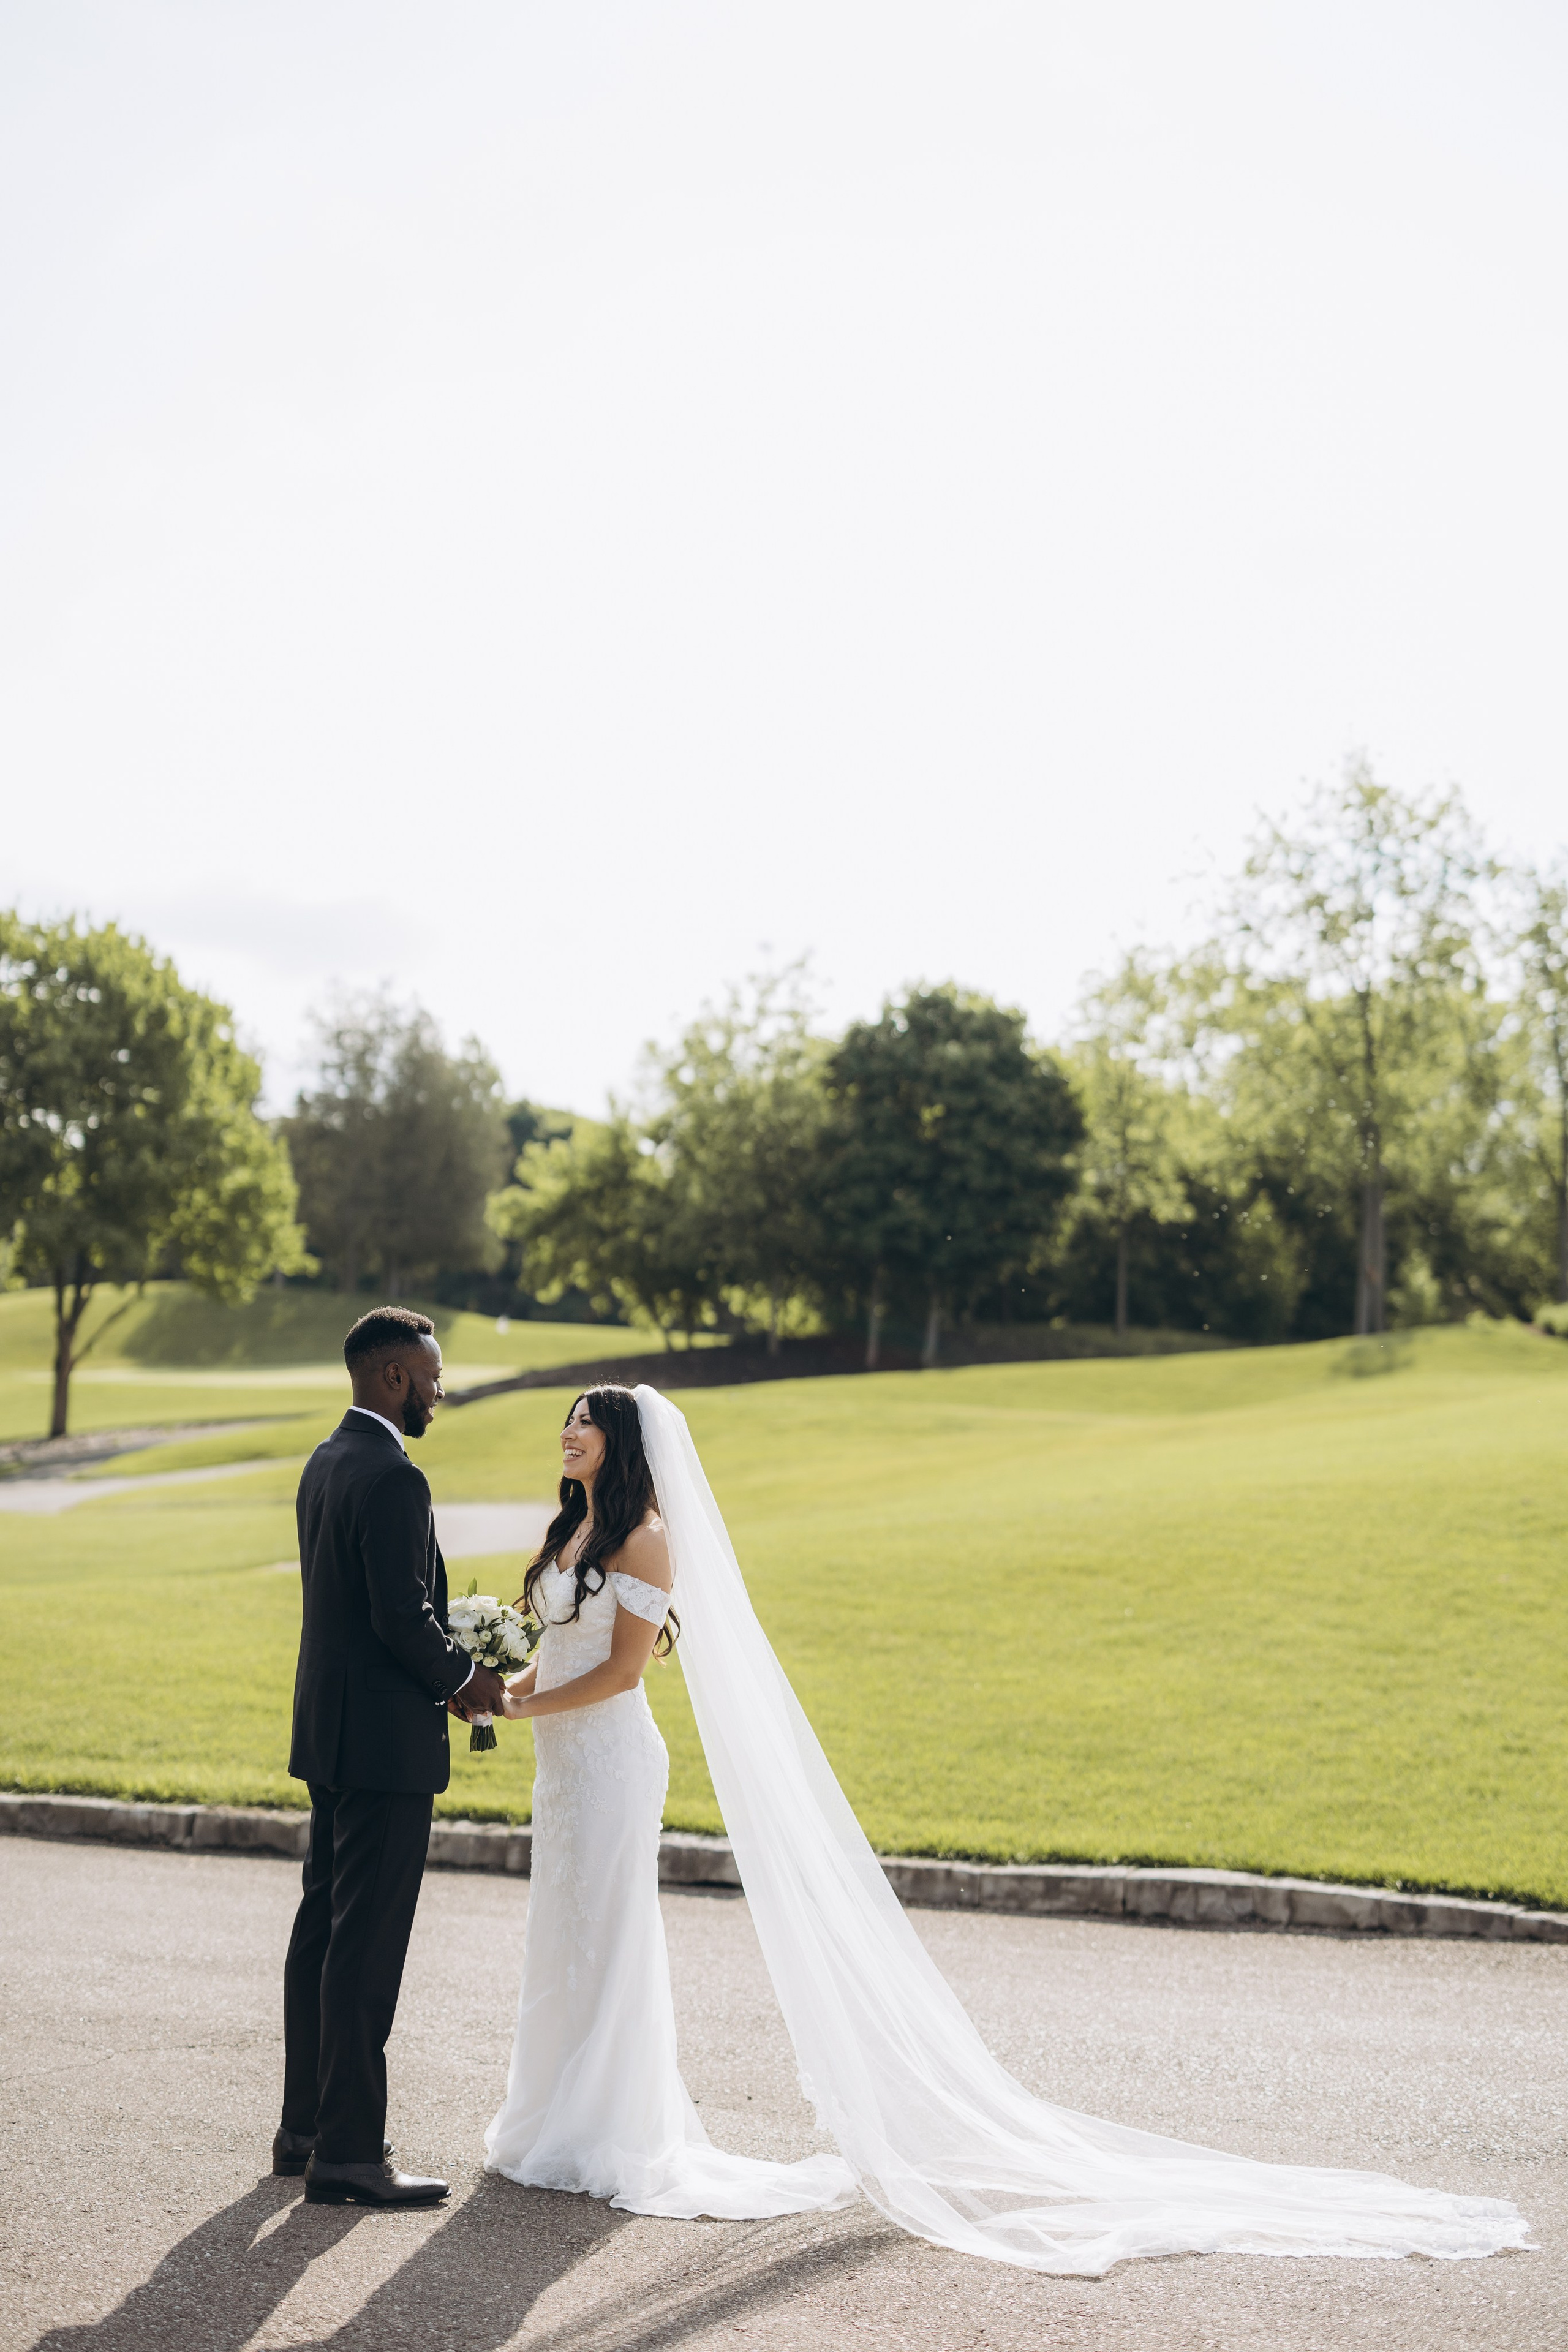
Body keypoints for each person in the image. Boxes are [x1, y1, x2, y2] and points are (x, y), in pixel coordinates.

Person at [484, 1381, 1531, 2277]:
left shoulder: (647, 1537)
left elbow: (621, 1675)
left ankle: (611, 2131)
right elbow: (564, 1655)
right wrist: (496, 1689)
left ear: (625, 1442)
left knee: (610, 1939)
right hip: (562, 1771)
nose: (569, 1432)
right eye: (568, 1422)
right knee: (559, 1938)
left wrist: (522, 1707)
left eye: (586, 1422)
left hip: (613, 1765)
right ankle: (549, 2118)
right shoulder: (569, 1530)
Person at [274, 1306, 508, 2209]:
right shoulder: (393, 1477)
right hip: (383, 1748)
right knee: (366, 1951)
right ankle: (350, 2155)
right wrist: (467, 1678)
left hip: (330, 1736)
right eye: (433, 1376)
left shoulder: (327, 1459)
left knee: (323, 1933)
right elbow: (398, 1615)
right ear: (393, 1378)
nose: (441, 1392)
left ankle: (303, 2130)